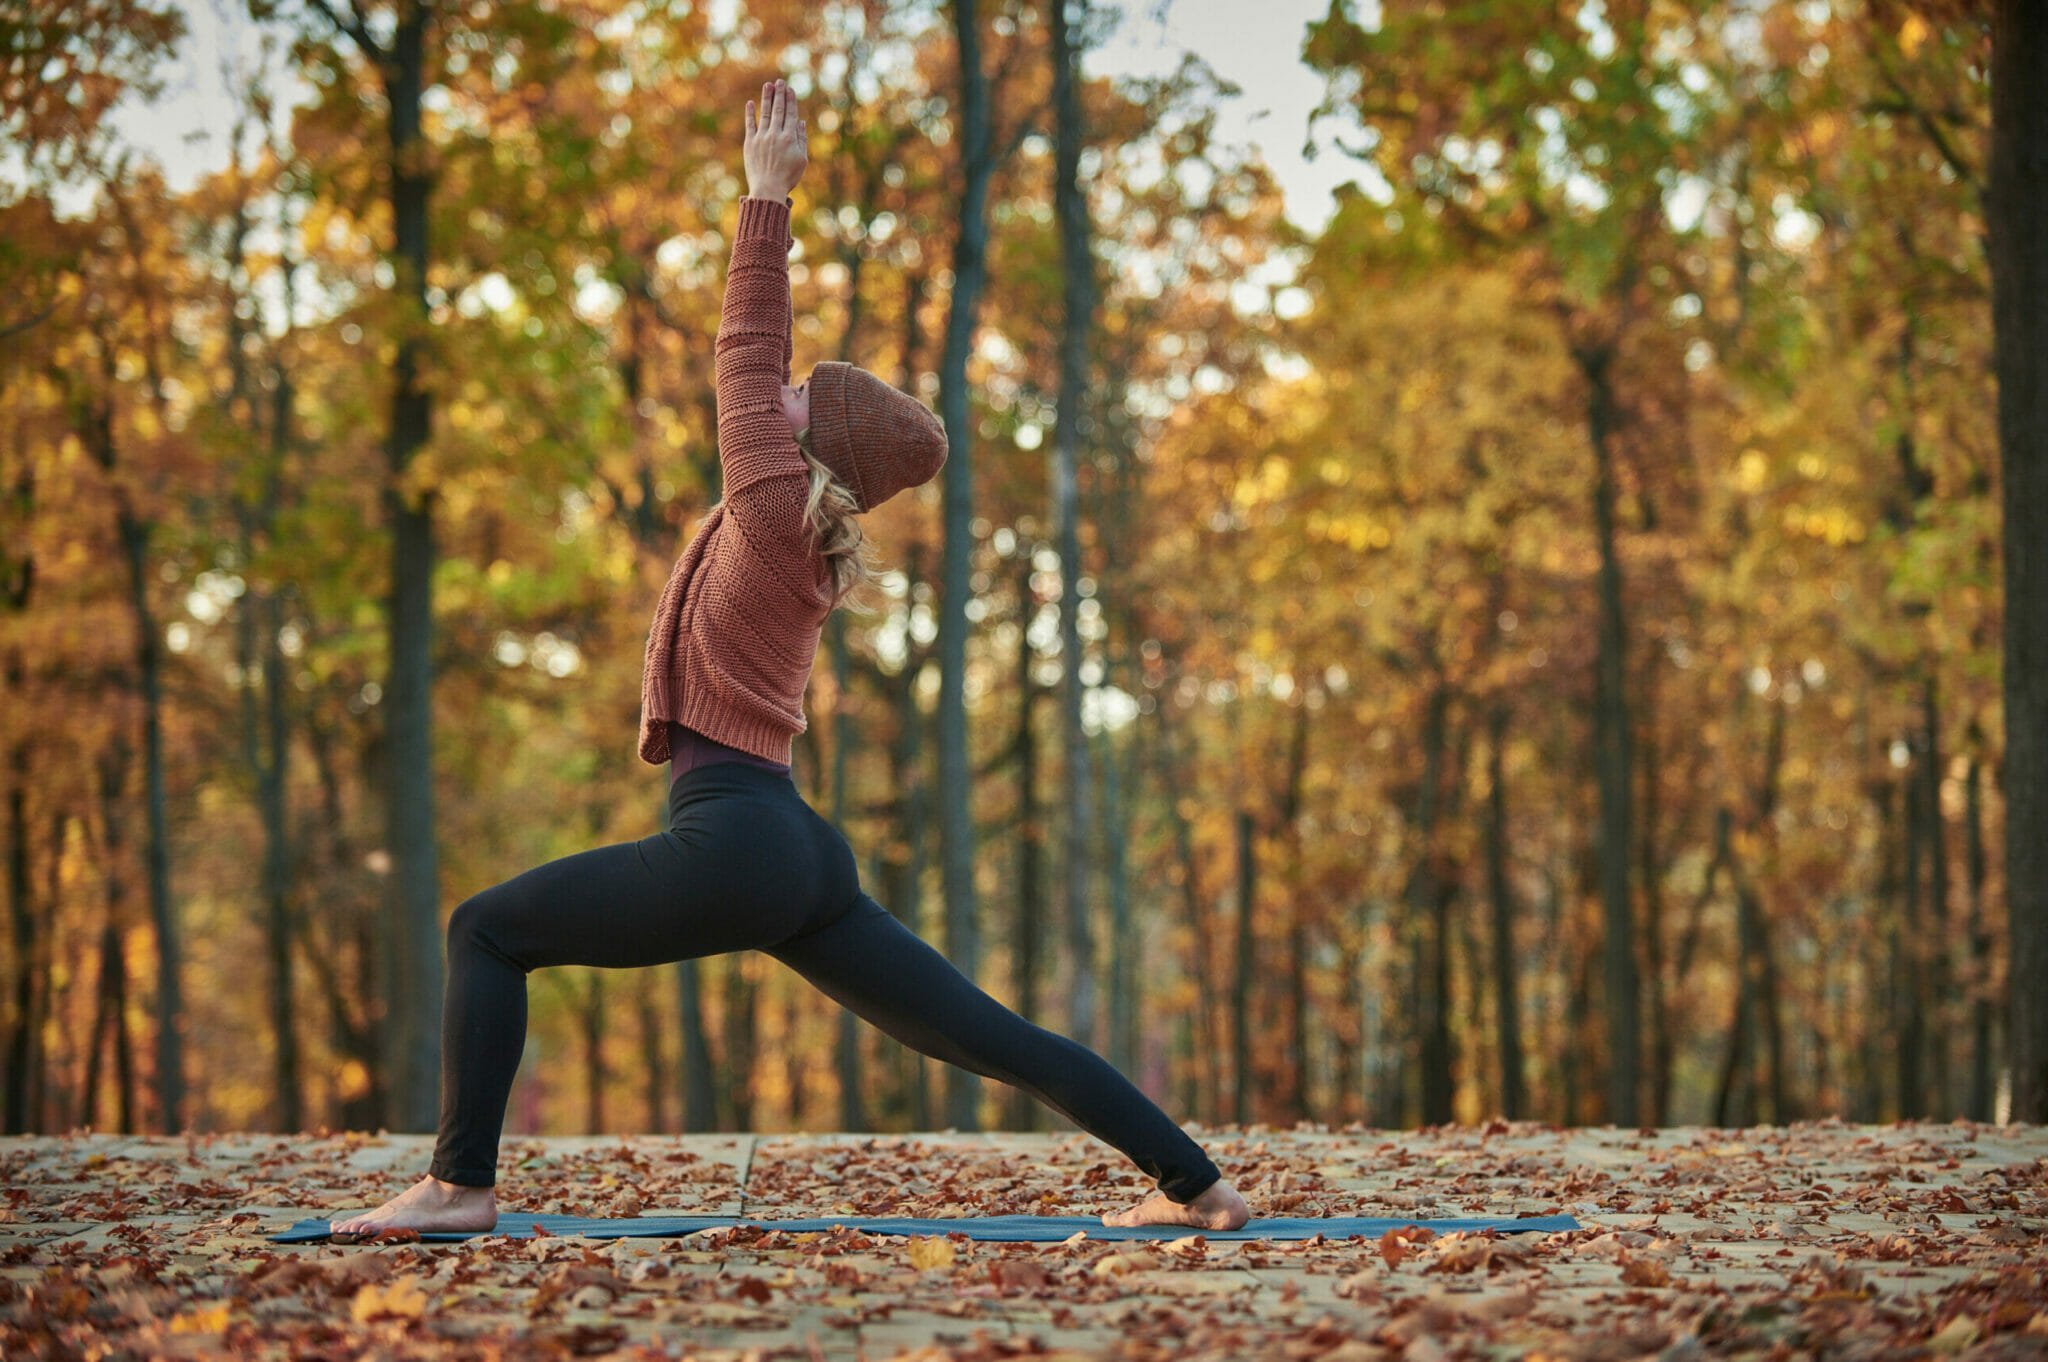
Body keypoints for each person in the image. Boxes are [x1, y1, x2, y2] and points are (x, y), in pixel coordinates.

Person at [329, 79, 1249, 1242]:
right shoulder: (783, 531)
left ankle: (459, 1187)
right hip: (792, 852)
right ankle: (1201, 1188)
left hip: (741, 844)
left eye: (798, 396)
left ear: (808, 441)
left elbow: (740, 351)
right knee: (989, 1037)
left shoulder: (770, 511)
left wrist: (767, 202)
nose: (779, 386)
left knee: (484, 929)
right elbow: (757, 377)